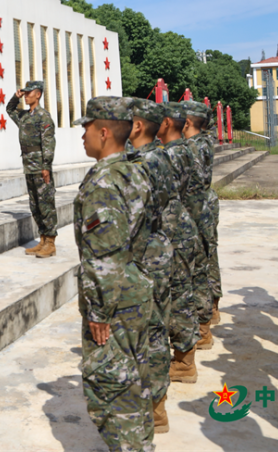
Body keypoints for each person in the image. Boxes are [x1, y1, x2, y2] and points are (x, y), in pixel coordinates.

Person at [72, 97, 156, 452]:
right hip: (135, 289)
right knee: (134, 382)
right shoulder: (133, 170)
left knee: (111, 391)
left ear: (104, 132)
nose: (82, 135)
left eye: (86, 128)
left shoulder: (105, 183)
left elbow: (105, 256)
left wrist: (99, 313)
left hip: (116, 300)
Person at [128, 98, 180, 433]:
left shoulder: (143, 162)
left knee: (150, 331)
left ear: (135, 126)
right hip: (159, 248)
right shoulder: (159, 156)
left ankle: (154, 405)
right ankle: (156, 403)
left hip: (146, 254)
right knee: (156, 327)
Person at [157, 102, 203, 383]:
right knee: (181, 293)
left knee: (179, 296)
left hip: (175, 229)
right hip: (183, 226)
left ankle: (185, 361)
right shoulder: (183, 150)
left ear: (168, 123)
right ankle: (185, 357)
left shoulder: (173, 154)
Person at [182, 100, 221, 344]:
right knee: (208, 257)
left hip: (196, 209)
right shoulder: (205, 140)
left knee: (199, 265)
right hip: (206, 204)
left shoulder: (192, 148)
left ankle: (204, 321)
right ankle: (212, 307)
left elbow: (189, 186)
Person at [6, 81, 57, 257]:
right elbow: (9, 110)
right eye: (25, 93)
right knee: (35, 205)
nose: (26, 96)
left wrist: (46, 167)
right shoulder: (25, 116)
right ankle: (42, 240)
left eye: (29, 93)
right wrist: (15, 96)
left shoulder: (44, 117)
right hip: (28, 166)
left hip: (40, 167)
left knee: (46, 205)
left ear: (38, 94)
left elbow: (48, 143)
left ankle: (50, 243)